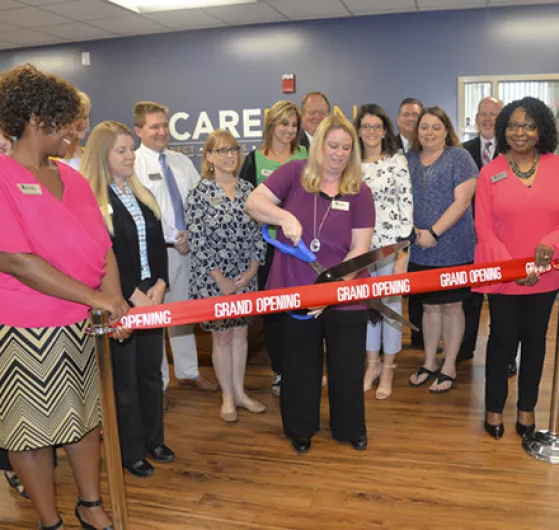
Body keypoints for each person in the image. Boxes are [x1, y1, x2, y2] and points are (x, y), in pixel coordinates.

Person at [0, 64, 129, 530]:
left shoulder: (71, 179)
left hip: (82, 324)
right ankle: (49, 520)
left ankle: (90, 504)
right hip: (25, 327)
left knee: (84, 421)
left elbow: (104, 247)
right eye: (66, 122)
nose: (74, 132)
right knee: (32, 432)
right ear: (37, 119)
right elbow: (18, 261)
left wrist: (113, 303)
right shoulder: (2, 177)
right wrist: (100, 300)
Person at [245, 115, 374, 455]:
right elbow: (254, 203)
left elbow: (360, 249)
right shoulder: (294, 173)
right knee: (300, 363)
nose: (339, 154)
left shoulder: (360, 190)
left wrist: (328, 294)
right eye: (333, 146)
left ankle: (349, 428)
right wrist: (285, 217)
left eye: (347, 148)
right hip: (296, 285)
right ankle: (300, 428)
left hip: (344, 290)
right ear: (319, 146)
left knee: (347, 363)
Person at [82, 121, 175, 477]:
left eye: (130, 149)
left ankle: (155, 440)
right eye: (121, 150)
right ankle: (130, 451)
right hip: (120, 301)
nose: (129, 155)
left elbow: (157, 243)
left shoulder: (140, 193)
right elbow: (104, 255)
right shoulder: (93, 201)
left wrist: (162, 283)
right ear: (103, 155)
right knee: (125, 382)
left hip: (152, 296)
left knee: (151, 374)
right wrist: (130, 293)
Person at [474, 97, 559, 440]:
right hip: (504, 273)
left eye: (528, 125)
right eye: (513, 125)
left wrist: (552, 241)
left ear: (541, 130)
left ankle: (527, 409)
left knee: (536, 342)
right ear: (503, 129)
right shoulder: (489, 171)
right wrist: (511, 267)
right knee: (502, 341)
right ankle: (494, 408)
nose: (520, 132)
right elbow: (484, 227)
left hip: (547, 273)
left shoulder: (556, 166)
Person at [134, 101, 217, 393]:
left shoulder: (181, 162)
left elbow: (196, 204)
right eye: (154, 126)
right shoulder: (133, 164)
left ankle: (189, 372)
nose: (161, 131)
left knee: (182, 313)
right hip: (155, 254)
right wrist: (170, 237)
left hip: (185, 251)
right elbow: (141, 212)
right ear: (139, 130)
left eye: (164, 125)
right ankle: (159, 384)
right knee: (156, 317)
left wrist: (190, 234)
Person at [186, 130, 267, 422]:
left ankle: (240, 391)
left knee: (241, 333)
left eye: (232, 149)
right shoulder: (199, 192)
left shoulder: (249, 189)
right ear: (208, 156)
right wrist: (219, 278)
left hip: (246, 274)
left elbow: (260, 233)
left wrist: (253, 269)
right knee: (221, 337)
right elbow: (197, 239)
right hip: (213, 278)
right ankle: (227, 397)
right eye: (220, 150)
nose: (229, 155)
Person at [407, 107, 478, 393]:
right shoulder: (408, 160)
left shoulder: (459, 158)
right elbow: (400, 201)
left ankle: (449, 365)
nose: (430, 133)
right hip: (420, 246)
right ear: (417, 131)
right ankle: (429, 362)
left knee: (452, 305)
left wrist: (434, 232)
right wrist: (416, 234)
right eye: (424, 127)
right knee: (428, 306)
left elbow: (462, 203)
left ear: (446, 130)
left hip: (454, 246)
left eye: (436, 127)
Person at [239, 100, 307, 396]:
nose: (289, 130)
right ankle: (280, 371)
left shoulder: (308, 155)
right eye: (284, 124)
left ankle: (307, 365)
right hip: (267, 249)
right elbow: (246, 204)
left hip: (302, 247)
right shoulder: (254, 160)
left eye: (294, 125)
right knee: (276, 313)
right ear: (271, 126)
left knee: (304, 308)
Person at [354, 104, 413, 399]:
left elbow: (407, 208)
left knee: (389, 310)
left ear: (385, 131)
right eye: (366, 126)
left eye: (377, 126)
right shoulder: (351, 164)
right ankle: (372, 365)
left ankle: (389, 368)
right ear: (359, 131)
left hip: (391, 249)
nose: (372, 132)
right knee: (368, 309)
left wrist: (403, 253)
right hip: (361, 249)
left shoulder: (397, 161)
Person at [462, 98, 513, 372]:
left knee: (501, 304)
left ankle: (504, 358)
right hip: (469, 238)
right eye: (483, 114)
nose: (487, 119)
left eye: (493, 114)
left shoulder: (513, 150)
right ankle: (465, 349)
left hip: (502, 239)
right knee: (470, 300)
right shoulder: (463, 151)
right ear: (476, 116)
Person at [59, 91, 91, 170]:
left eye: (85, 117)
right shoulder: (47, 158)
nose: (82, 123)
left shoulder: (91, 158)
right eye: (77, 118)